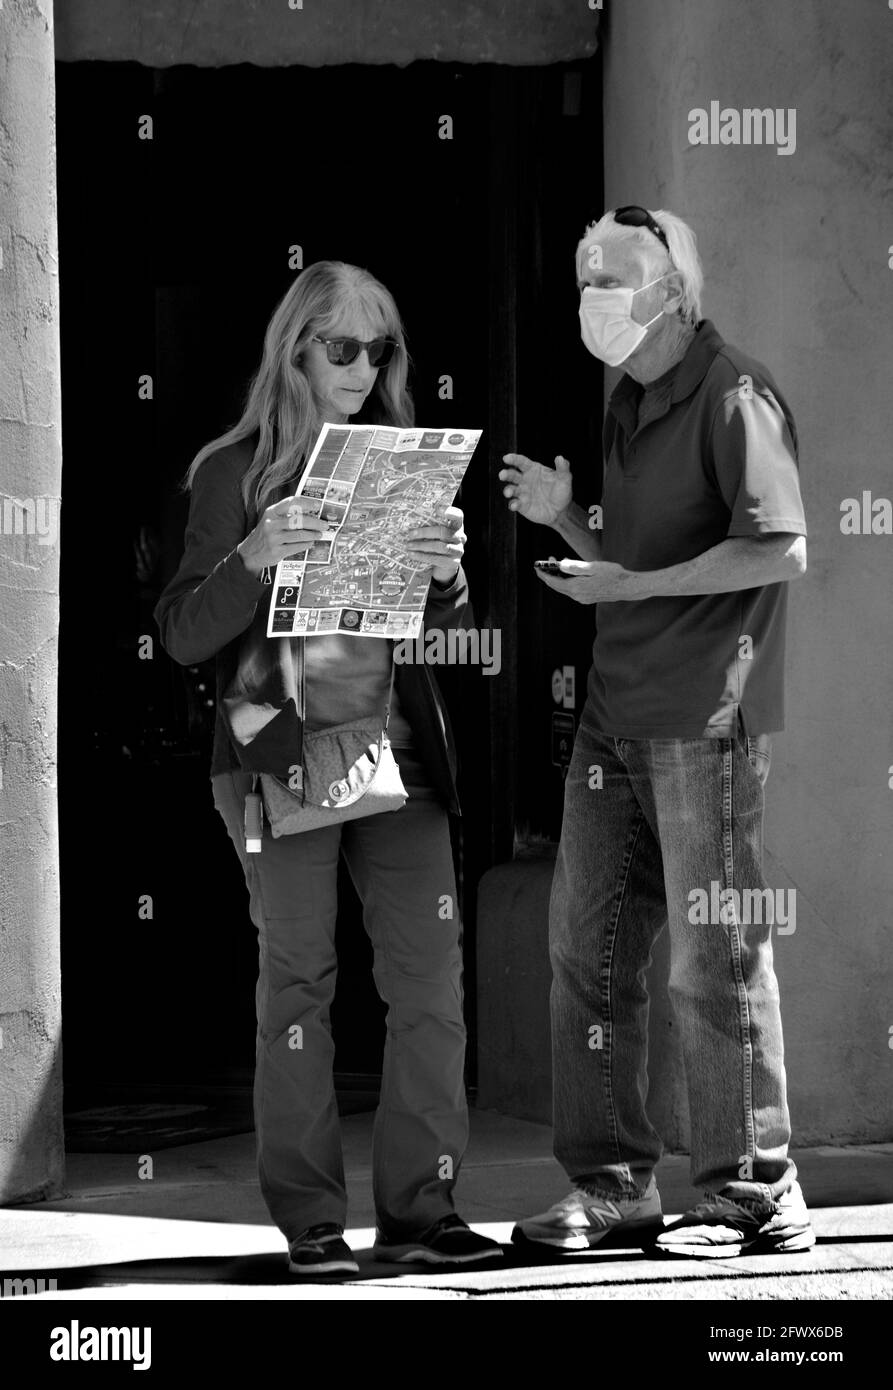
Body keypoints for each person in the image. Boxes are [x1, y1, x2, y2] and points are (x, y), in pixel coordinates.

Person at [155, 260, 502, 1276]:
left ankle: (422, 1211)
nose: (362, 365)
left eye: (379, 347)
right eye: (341, 346)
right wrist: (252, 555)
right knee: (297, 984)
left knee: (431, 985)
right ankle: (311, 1219)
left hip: (397, 754)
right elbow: (179, 633)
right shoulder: (233, 470)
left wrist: (447, 574)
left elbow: (438, 626)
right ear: (295, 350)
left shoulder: (394, 459)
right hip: (278, 747)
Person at [500, 206, 813, 1258]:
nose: (592, 299)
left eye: (614, 281)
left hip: (702, 720)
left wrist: (625, 581)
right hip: (612, 714)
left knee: (711, 959)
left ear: (673, 295)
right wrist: (563, 517)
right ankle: (614, 1186)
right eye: (585, 279)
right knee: (584, 955)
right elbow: (618, 575)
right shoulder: (628, 397)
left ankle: (753, 1192)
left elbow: (778, 548)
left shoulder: (733, 393)